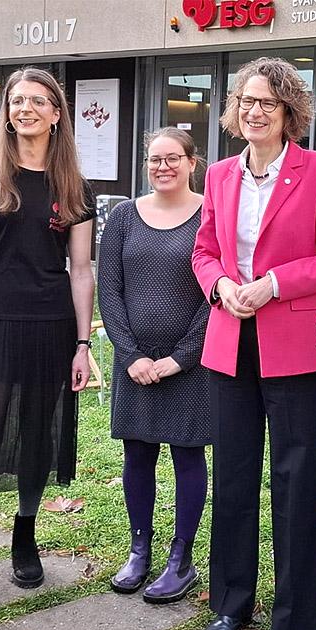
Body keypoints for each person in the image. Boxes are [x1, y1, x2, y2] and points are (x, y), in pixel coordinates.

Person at [192, 57, 316, 630]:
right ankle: (231, 602)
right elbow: (205, 250)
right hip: (228, 340)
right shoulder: (218, 175)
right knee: (233, 475)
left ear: (289, 112)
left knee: (295, 478)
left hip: (292, 344)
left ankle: (293, 617)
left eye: (268, 102)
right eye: (246, 101)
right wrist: (220, 288)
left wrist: (274, 284)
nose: (254, 111)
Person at [0, 67, 95, 610]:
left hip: (52, 328)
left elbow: (81, 270)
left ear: (57, 113)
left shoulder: (74, 186)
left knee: (38, 433)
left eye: (37, 101)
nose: (25, 108)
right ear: (6, 111)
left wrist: (83, 344)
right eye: (16, 100)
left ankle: (24, 535)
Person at [99, 128, 210, 604]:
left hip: (190, 364)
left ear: (191, 162)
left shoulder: (211, 215)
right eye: (153, 160)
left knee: (187, 455)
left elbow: (216, 293)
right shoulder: (124, 217)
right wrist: (133, 356)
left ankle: (180, 559)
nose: (162, 167)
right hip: (136, 366)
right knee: (137, 455)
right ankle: (139, 550)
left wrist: (178, 359)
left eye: (172, 158)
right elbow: (110, 291)